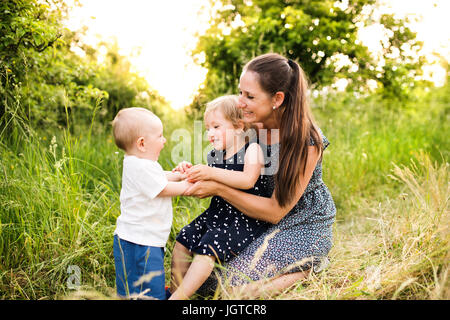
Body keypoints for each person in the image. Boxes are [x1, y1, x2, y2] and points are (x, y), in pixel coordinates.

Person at [182, 53, 336, 298]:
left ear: (277, 99)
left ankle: (309, 267)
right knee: (202, 279)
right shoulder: (250, 125)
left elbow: (276, 212)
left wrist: (218, 188)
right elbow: (225, 165)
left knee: (226, 291)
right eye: (240, 92)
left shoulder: (307, 140)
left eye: (250, 96)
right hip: (254, 219)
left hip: (301, 222)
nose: (240, 102)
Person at [168, 95, 271, 300]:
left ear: (239, 126)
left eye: (216, 127)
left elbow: (248, 180)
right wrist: (187, 171)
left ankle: (178, 298)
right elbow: (208, 180)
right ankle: (173, 290)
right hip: (218, 213)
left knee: (208, 247)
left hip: (243, 217)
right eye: (207, 128)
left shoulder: (253, 149)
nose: (209, 134)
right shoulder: (215, 155)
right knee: (184, 239)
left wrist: (210, 173)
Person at [111, 107, 192, 299]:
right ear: (142, 143)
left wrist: (179, 175)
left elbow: (160, 178)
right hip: (139, 242)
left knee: (134, 287)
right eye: (160, 136)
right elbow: (162, 189)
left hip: (141, 239)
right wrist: (189, 185)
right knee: (145, 288)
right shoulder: (138, 166)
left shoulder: (140, 163)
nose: (164, 141)